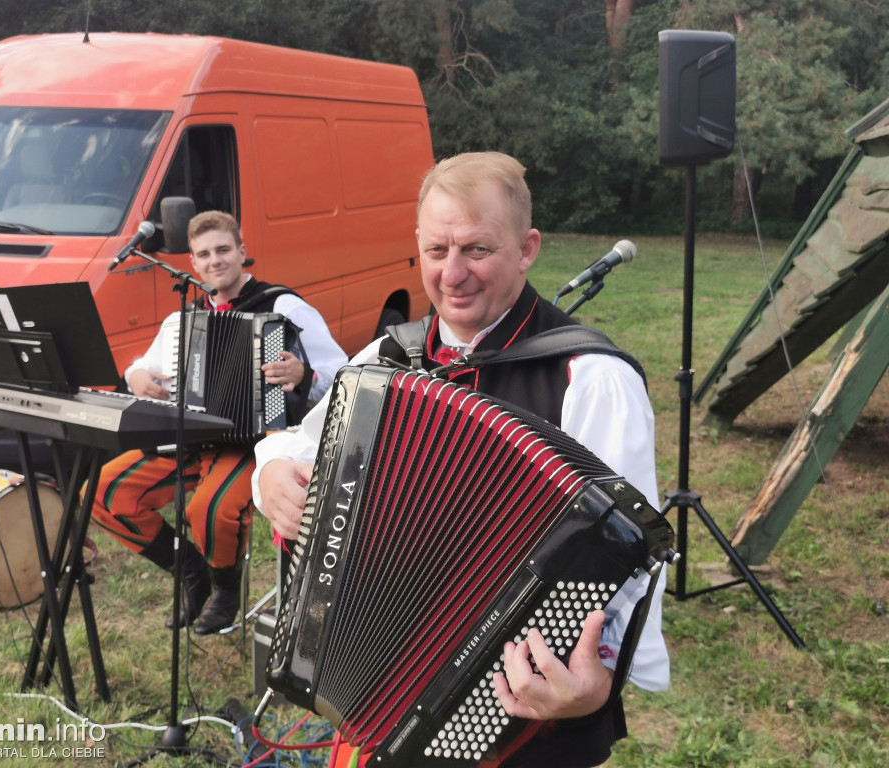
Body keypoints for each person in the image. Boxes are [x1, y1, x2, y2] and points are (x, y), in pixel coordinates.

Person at [251, 152, 668, 767]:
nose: (453, 274)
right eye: (436, 251)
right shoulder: (385, 360)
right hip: (380, 675)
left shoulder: (590, 378)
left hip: (519, 714)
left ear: (527, 249)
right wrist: (271, 474)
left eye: (477, 249)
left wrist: (596, 680)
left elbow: (627, 554)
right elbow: (297, 443)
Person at [89, 210, 347, 635]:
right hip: (191, 440)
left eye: (224, 250)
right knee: (104, 493)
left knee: (209, 508)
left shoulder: (283, 305)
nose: (215, 261)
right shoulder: (182, 319)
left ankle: (225, 589)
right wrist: (135, 376)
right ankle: (192, 572)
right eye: (204, 254)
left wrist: (303, 376)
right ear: (193, 263)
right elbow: (142, 367)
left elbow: (339, 373)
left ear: (242, 253)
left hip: (253, 444)